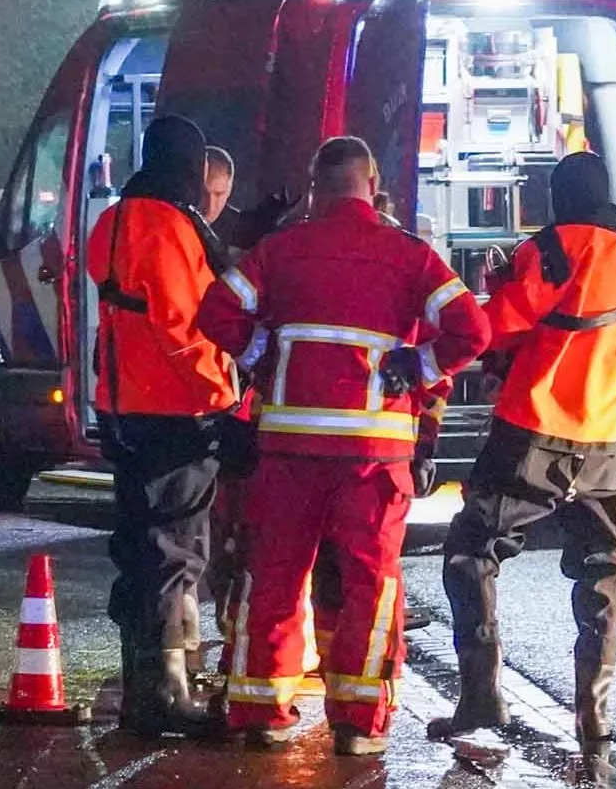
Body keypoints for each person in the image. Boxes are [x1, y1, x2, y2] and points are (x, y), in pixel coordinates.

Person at [197, 136, 488, 755]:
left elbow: (216, 309)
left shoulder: (280, 250)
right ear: (373, 182)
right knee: (370, 583)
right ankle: (358, 724)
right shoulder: (410, 256)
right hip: (372, 455)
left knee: (273, 575)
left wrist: (258, 351)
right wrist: (419, 363)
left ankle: (258, 712)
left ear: (313, 187)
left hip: (287, 452)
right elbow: (474, 329)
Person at [433, 151, 616, 743]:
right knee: (605, 568)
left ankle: (482, 699)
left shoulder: (550, 249)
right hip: (605, 443)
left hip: (531, 431)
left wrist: (497, 293)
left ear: (558, 195)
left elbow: (500, 329)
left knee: (471, 551)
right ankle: (593, 714)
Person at [86, 117, 235, 738]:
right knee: (175, 551)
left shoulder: (115, 218)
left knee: (142, 547)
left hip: (122, 404)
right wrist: (225, 397)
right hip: (175, 409)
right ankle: (164, 696)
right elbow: (180, 326)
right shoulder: (171, 227)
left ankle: (147, 685)